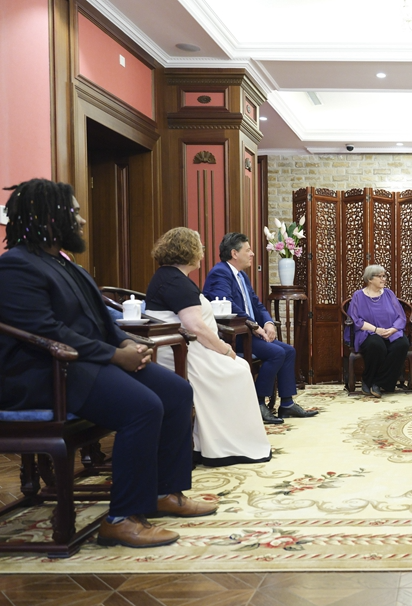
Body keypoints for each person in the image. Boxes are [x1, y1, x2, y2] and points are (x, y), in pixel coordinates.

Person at [0, 179, 216, 548]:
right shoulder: (15, 266)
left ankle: (164, 492)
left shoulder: (65, 264)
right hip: (42, 375)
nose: (82, 220)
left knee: (177, 391)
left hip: (83, 365)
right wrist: (115, 356)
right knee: (143, 407)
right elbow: (46, 331)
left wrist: (127, 342)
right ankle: (122, 519)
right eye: (75, 212)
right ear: (49, 217)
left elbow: (101, 319)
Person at [144, 228, 272, 466]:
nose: (202, 252)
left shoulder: (172, 277)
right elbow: (196, 327)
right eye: (200, 247)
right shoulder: (175, 281)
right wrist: (225, 350)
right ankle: (226, 446)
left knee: (240, 367)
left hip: (186, 345)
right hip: (180, 351)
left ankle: (209, 442)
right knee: (238, 370)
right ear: (188, 251)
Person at [202, 232, 317, 423]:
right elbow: (227, 304)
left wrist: (268, 322)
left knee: (289, 351)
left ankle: (287, 404)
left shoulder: (241, 275)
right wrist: (254, 325)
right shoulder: (220, 273)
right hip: (235, 335)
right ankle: (258, 403)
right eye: (248, 250)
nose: (252, 254)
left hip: (250, 333)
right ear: (234, 253)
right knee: (276, 353)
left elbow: (256, 304)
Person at [346, 265, 410, 397]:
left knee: (402, 344)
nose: (383, 279)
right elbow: (356, 320)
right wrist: (376, 330)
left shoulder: (389, 294)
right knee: (376, 345)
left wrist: (392, 329)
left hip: (390, 331)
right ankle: (369, 379)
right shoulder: (358, 296)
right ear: (370, 279)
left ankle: (378, 383)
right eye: (380, 276)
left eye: (384, 276)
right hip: (368, 332)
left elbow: (401, 317)